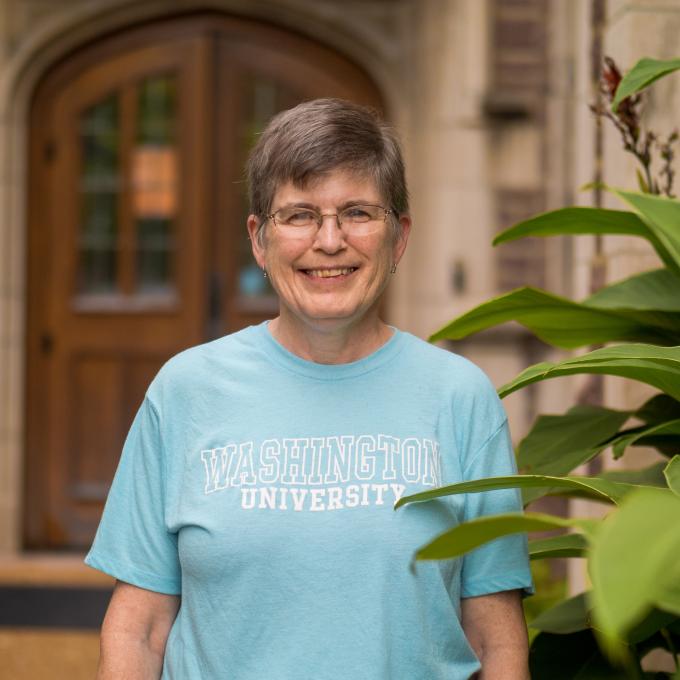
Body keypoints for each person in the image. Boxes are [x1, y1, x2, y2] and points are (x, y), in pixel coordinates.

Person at [86, 98, 533, 679]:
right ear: (259, 240)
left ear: (398, 238)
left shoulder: (460, 398)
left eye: (357, 212)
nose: (329, 241)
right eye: (298, 215)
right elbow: (139, 628)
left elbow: (494, 640)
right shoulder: (185, 392)